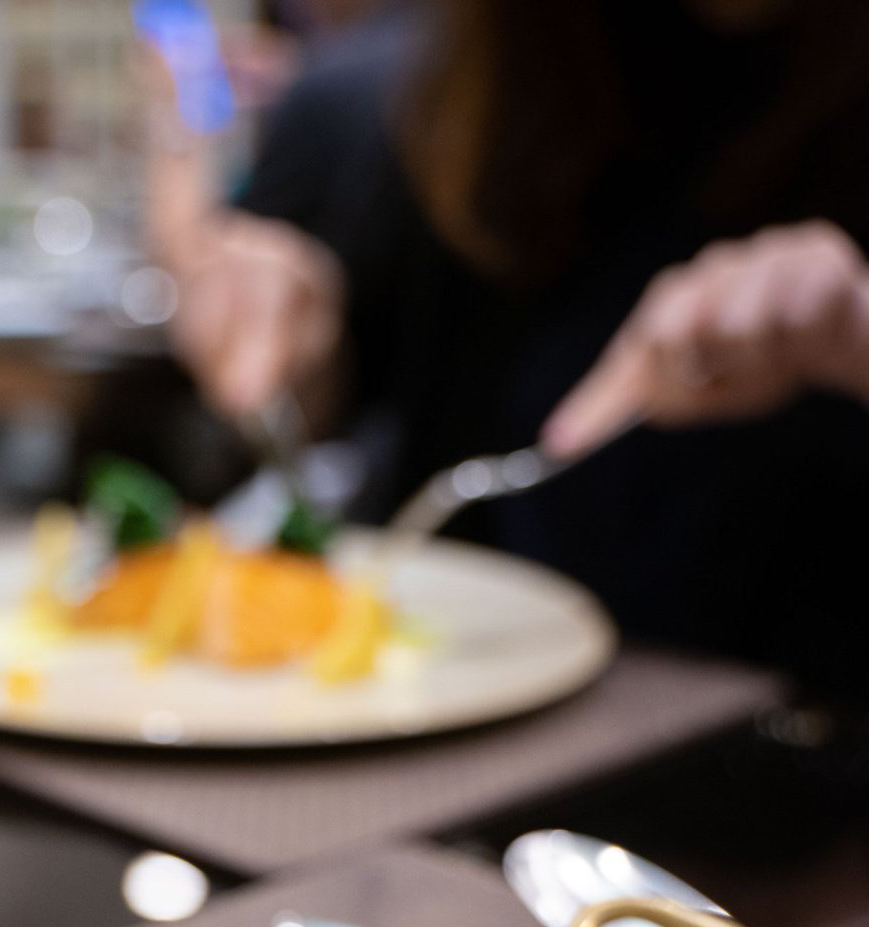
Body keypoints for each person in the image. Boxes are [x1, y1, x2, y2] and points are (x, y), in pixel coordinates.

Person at [147, 0, 869, 691]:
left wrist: (855, 337)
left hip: (802, 715)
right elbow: (356, 383)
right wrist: (283, 334)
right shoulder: (446, 81)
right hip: (469, 706)